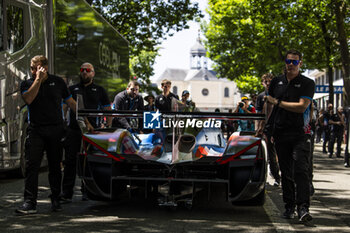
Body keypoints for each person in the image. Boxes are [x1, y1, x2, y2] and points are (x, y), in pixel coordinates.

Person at [16, 55, 77, 214]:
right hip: (36, 130)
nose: (34, 71)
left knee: (55, 166)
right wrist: (37, 80)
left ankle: (56, 198)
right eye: (32, 68)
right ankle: (30, 202)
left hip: (55, 129)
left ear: (45, 67)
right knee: (32, 166)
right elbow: (28, 99)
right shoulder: (27, 83)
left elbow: (70, 102)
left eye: (37, 67)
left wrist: (88, 118)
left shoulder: (58, 82)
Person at [265, 49, 315, 223]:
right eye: (288, 61)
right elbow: (269, 106)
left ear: (300, 64)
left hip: (301, 133)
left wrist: (278, 102)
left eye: (295, 62)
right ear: (285, 63)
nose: (291, 65)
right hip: (280, 133)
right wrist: (267, 127)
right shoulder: (276, 82)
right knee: (285, 173)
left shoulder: (307, 82)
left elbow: (302, 106)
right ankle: (289, 207)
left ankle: (303, 207)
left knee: (301, 170)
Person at [61, 62, 111, 203]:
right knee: (70, 162)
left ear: (93, 73)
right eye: (82, 70)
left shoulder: (100, 90)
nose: (84, 72)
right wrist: (63, 125)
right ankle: (66, 193)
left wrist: (108, 126)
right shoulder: (72, 89)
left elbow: (108, 110)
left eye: (88, 70)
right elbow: (64, 107)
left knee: (89, 162)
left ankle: (87, 191)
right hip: (73, 131)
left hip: (92, 132)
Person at [255, 73, 281, 187]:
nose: (268, 83)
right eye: (266, 81)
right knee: (267, 154)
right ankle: (271, 177)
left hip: (279, 127)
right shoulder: (261, 97)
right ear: (263, 83)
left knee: (278, 153)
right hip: (266, 129)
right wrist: (258, 129)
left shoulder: (279, 95)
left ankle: (279, 176)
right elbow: (258, 114)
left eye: (270, 81)